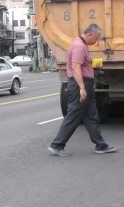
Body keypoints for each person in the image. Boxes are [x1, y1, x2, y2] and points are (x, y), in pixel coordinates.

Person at [48, 23, 116, 157]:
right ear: (89, 34)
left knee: (91, 115)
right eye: (96, 38)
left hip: (85, 84)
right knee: (73, 115)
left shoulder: (80, 44)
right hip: (80, 84)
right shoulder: (79, 47)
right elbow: (76, 67)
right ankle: (57, 145)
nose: (96, 41)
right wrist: (82, 88)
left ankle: (100, 145)